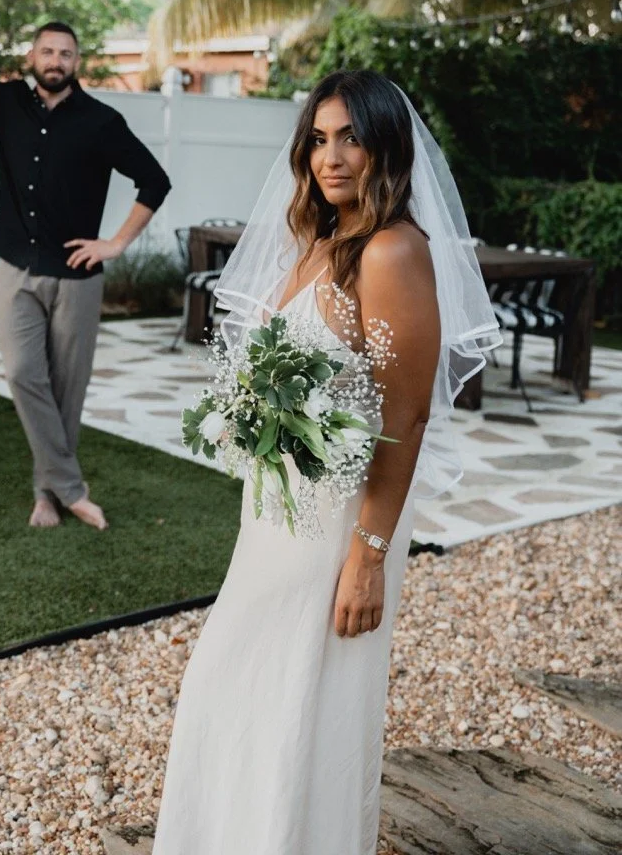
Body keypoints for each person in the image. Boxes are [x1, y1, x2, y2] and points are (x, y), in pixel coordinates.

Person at [152, 70, 499, 854]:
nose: (330, 157)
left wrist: (368, 557)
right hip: (281, 510)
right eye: (317, 139)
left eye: (350, 138)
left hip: (341, 523)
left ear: (386, 147)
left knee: (301, 695)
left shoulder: (390, 251)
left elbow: (404, 414)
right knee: (244, 683)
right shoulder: (319, 240)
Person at [0, 0, 172, 531]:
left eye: (66, 52)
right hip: (15, 268)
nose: (56, 59)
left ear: (76, 62)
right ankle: (70, 486)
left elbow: (154, 181)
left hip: (78, 279)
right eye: (47, 50)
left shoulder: (102, 123)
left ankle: (46, 497)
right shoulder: (6, 102)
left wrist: (115, 243)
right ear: (31, 55)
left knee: (67, 388)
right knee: (22, 374)